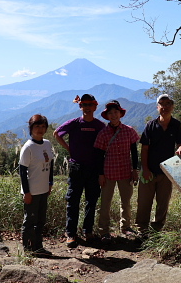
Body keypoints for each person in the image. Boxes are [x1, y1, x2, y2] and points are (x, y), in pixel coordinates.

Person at [53, 94, 105, 248]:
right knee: (73, 201)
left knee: (92, 201)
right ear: (80, 106)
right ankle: (71, 233)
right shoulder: (74, 123)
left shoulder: (100, 126)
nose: (87, 107)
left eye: (90, 105)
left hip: (94, 168)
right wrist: (69, 149)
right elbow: (57, 133)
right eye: (84, 105)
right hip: (77, 168)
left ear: (95, 107)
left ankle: (88, 232)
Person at [136, 94, 181, 236]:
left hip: (166, 172)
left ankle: (156, 230)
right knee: (144, 203)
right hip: (149, 171)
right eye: (162, 104)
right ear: (157, 107)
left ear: (172, 106)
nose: (165, 107)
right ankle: (142, 231)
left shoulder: (176, 125)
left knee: (162, 203)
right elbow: (144, 148)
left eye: (168, 103)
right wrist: (145, 169)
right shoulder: (151, 125)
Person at [94, 100, 140, 243]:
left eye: (116, 112)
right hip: (108, 172)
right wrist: (100, 174)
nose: (113, 115)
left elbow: (134, 151)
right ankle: (104, 230)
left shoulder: (129, 130)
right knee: (105, 202)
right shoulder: (103, 133)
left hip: (125, 171)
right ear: (107, 116)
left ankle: (125, 226)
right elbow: (99, 156)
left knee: (126, 201)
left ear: (120, 114)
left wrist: (135, 170)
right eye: (110, 113)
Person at [19, 114, 54, 257]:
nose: (40, 129)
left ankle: (38, 247)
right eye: (37, 126)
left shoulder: (47, 144)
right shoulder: (28, 147)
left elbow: (51, 164)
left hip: (43, 189)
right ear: (31, 128)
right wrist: (26, 192)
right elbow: (22, 171)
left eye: (42, 126)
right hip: (32, 191)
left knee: (40, 220)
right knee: (30, 220)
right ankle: (27, 249)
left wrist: (50, 183)